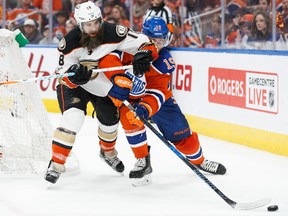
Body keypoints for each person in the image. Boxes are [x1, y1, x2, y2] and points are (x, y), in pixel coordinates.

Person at [99, 16, 227, 186]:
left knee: (181, 135)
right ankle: (143, 161)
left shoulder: (164, 61)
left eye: (161, 40)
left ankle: (199, 160)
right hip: (132, 97)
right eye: (154, 40)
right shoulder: (130, 46)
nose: (158, 45)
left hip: (160, 101)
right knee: (130, 118)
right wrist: (117, 79)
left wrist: (146, 108)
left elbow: (159, 92)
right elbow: (108, 59)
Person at [44, 0, 159, 184]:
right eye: (88, 25)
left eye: (96, 22)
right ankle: (56, 164)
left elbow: (145, 43)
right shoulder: (68, 43)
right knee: (73, 119)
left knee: (110, 122)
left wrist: (144, 54)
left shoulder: (114, 32)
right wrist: (72, 78)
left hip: (99, 84)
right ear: (80, 25)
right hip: (75, 86)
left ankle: (107, 153)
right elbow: (61, 76)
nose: (93, 28)